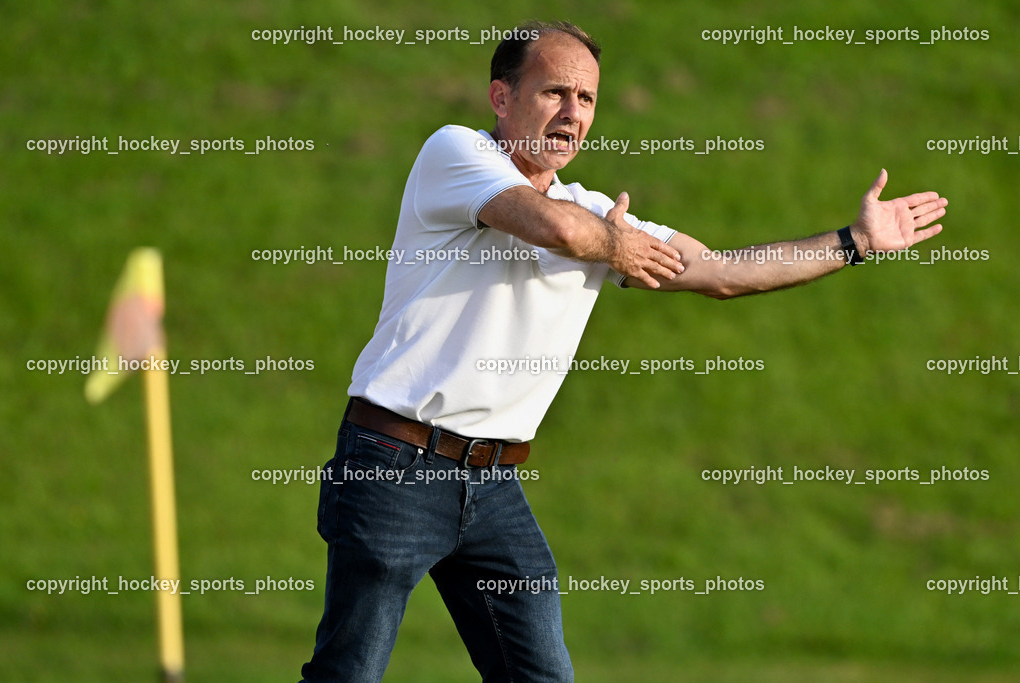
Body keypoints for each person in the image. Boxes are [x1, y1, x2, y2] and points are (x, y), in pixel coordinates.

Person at [300, 20, 947, 682]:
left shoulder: (599, 214)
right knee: (348, 673)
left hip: (491, 484)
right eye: (554, 92)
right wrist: (616, 246)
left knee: (544, 675)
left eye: (586, 100)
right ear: (501, 98)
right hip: (395, 463)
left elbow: (722, 272)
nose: (571, 114)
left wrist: (853, 242)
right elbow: (549, 226)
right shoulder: (456, 154)